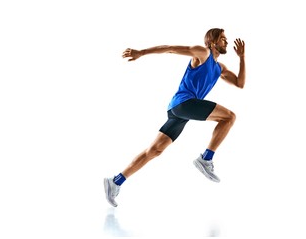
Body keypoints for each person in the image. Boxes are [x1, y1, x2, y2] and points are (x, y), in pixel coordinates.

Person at [104, 28, 246, 207]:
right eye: (223, 39)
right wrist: (141, 52)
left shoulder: (219, 68)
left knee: (154, 150)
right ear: (212, 42)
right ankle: (206, 158)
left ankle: (115, 181)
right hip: (184, 104)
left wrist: (242, 58)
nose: (226, 42)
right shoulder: (203, 53)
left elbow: (240, 83)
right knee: (229, 117)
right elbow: (170, 48)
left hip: (179, 111)